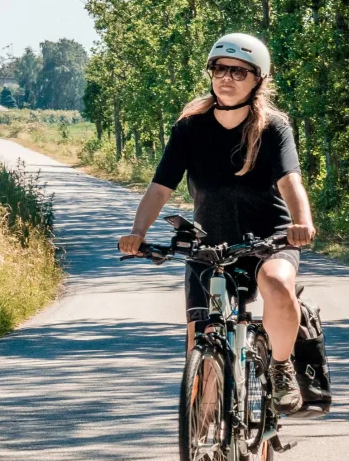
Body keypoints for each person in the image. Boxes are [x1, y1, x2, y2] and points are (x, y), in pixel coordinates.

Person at [117, 33, 317, 414]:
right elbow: (160, 187)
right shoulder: (189, 129)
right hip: (208, 245)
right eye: (219, 68)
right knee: (202, 351)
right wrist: (137, 233)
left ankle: (281, 367)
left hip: (269, 239)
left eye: (238, 72)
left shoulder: (273, 128)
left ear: (257, 79)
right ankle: (200, 460)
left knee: (276, 282)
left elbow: (291, 181)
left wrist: (301, 223)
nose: (226, 77)